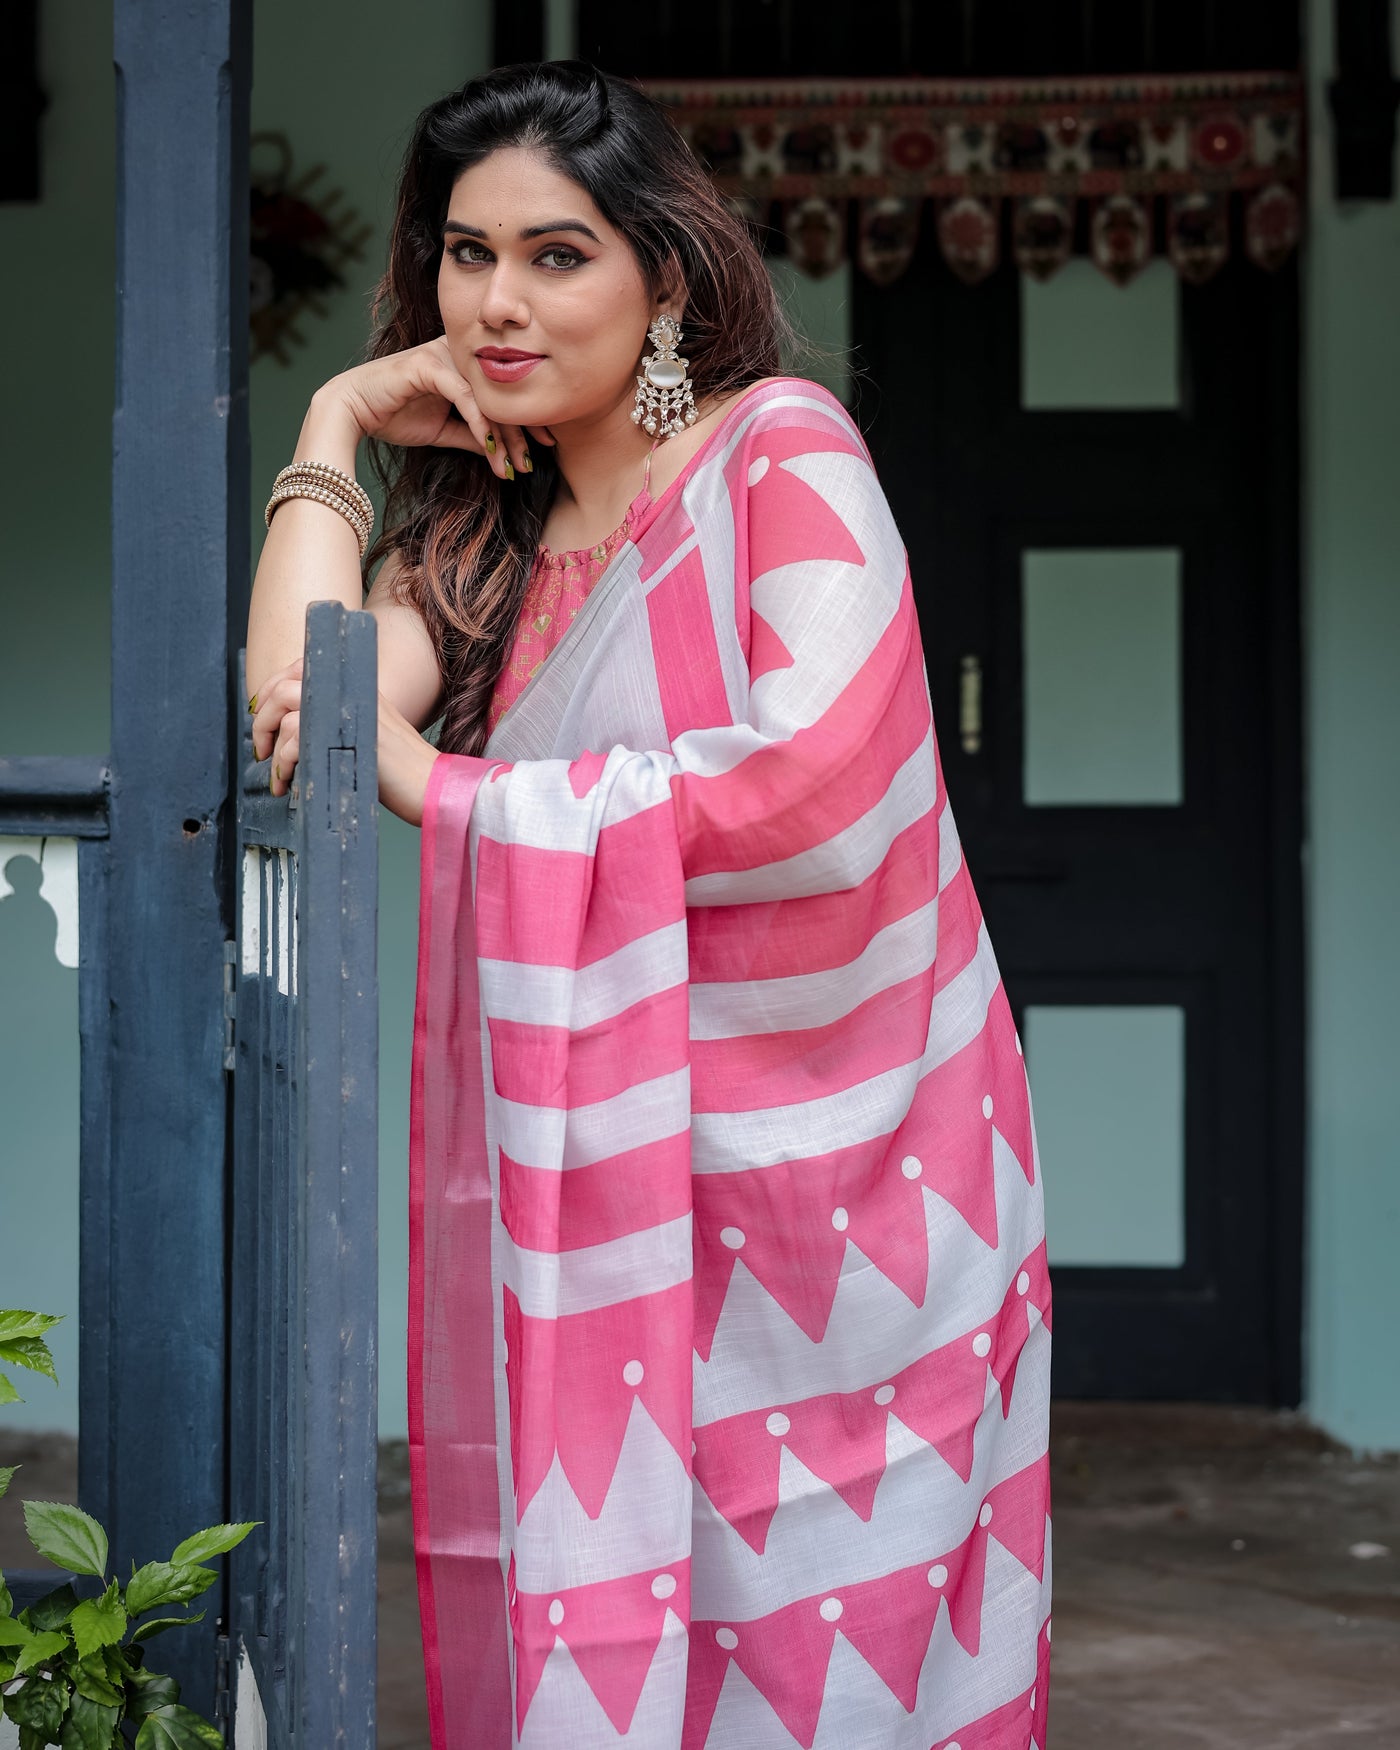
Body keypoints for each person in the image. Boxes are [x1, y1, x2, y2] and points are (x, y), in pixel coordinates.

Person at [245, 58, 1051, 1750]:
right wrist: (329, 421)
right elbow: (298, 717)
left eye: (557, 254)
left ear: (663, 278)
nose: (497, 302)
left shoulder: (780, 457)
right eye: (466, 255)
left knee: (836, 1654)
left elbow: (816, 783)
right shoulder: (482, 546)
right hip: (612, 1204)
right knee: (626, 1621)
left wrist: (442, 787)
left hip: (853, 1201)